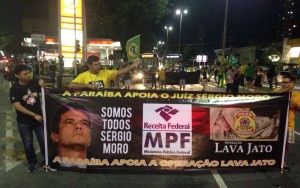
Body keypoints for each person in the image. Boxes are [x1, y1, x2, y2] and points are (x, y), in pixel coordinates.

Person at [9, 64, 46, 173]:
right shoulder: (14, 88)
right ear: (17, 75)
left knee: (44, 142)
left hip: (39, 121)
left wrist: (43, 84)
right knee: (28, 144)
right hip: (24, 122)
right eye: (25, 74)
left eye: (28, 72)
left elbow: (45, 90)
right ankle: (32, 163)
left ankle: (47, 161)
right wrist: (34, 115)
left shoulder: (34, 82)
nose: (28, 75)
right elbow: (17, 106)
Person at [50, 102, 91, 167]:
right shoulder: (50, 164)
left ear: (89, 138)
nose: (78, 126)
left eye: (84, 123)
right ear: (55, 136)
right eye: (69, 122)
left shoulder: (102, 166)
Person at [273, 74, 300, 172]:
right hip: (275, 124)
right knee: (273, 144)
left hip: (288, 125)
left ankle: (282, 161)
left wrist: (295, 105)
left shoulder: (296, 95)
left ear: (293, 83)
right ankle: (270, 160)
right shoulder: (276, 92)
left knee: (285, 146)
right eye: (283, 82)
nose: (284, 84)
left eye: (286, 82)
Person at [69, 55, 140, 90]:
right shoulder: (83, 76)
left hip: (103, 105)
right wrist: (87, 86)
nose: (99, 66)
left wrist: (132, 66)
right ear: (89, 66)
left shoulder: (105, 73)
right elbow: (71, 85)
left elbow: (119, 72)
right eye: (96, 65)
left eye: (99, 64)